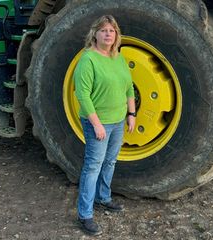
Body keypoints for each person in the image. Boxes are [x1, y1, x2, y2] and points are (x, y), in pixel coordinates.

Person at [73, 15, 136, 236]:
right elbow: (82, 94)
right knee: (93, 166)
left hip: (118, 121)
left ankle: (103, 198)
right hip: (97, 124)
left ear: (116, 35)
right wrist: (97, 124)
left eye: (111, 30)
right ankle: (85, 214)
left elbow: (128, 87)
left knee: (110, 161)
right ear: (95, 34)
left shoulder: (117, 57)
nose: (108, 34)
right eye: (103, 30)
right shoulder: (88, 59)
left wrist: (131, 113)